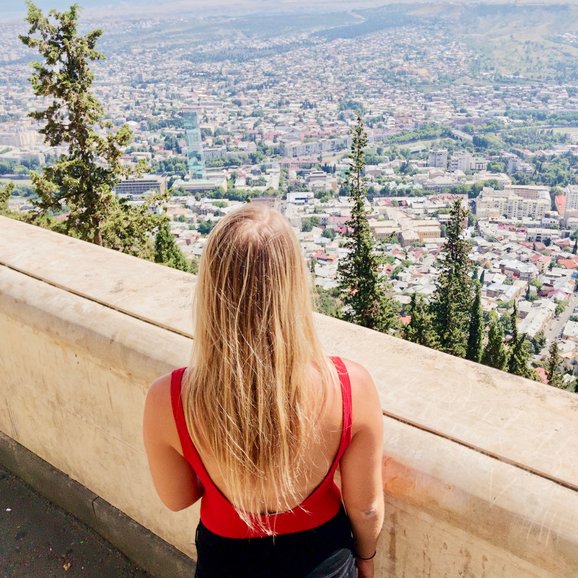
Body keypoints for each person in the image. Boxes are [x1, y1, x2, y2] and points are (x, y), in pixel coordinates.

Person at [143, 204, 384, 578]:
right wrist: (365, 559)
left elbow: (178, 499)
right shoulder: (351, 385)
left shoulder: (168, 398)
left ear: (210, 289)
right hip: (325, 562)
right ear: (294, 286)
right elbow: (365, 508)